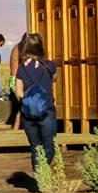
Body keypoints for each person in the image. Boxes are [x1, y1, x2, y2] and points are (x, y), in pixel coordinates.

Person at [14, 33, 58, 173]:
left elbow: (19, 93)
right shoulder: (50, 65)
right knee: (49, 146)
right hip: (47, 111)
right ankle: (43, 173)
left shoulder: (21, 68)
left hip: (28, 114)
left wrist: (30, 99)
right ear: (40, 47)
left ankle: (39, 177)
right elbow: (54, 79)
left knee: (35, 147)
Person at [9, 34, 29, 130]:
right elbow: (14, 75)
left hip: (29, 80)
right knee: (22, 105)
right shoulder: (17, 50)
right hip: (18, 81)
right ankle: (16, 129)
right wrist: (16, 89)